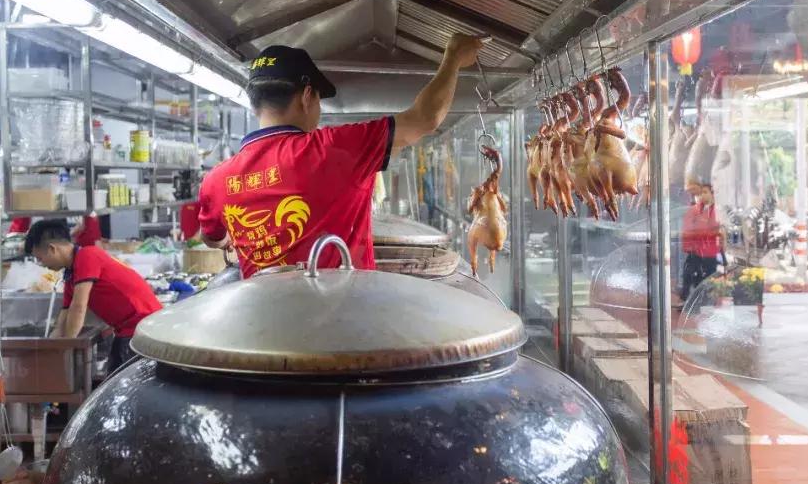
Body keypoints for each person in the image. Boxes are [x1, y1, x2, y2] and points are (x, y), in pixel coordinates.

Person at [199, 34, 483, 278]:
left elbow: (213, 238)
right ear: (307, 96)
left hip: (262, 333)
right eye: (319, 100)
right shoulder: (333, 148)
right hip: (344, 327)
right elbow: (425, 118)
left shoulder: (216, 181)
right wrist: (454, 57)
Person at [24, 219, 161, 373]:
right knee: (112, 382)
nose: (42, 265)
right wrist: (50, 350)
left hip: (143, 328)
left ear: (52, 249)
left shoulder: (87, 255)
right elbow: (63, 319)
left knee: (125, 386)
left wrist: (68, 350)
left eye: (40, 258)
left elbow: (78, 307)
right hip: (127, 330)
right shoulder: (71, 276)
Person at [679, 183, 724, 305]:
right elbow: (688, 229)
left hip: (710, 251)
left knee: (709, 276)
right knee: (689, 275)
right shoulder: (695, 209)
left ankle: (705, 300)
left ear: (712, 194)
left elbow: (716, 229)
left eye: (705, 192)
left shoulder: (717, 211)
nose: (702, 195)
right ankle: (688, 299)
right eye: (701, 193)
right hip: (696, 250)